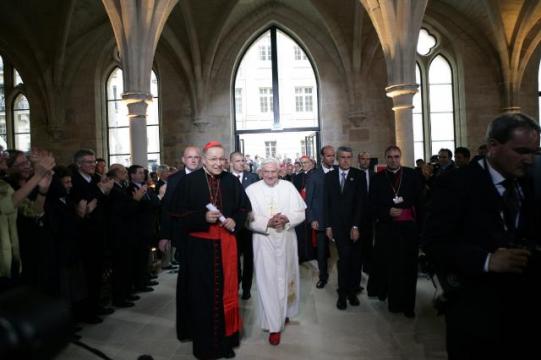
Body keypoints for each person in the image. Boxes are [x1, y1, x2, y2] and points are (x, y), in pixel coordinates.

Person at [423, 112, 541, 359]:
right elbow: (434, 242)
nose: (529, 160)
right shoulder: (456, 183)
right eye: (521, 151)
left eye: (534, 152)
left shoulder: (529, 182)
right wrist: (487, 260)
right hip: (475, 313)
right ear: (493, 147)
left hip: (523, 311)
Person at [171, 141, 251, 359]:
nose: (218, 163)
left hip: (226, 247)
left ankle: (225, 344)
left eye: (221, 159)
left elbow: (244, 207)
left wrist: (236, 219)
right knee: (202, 297)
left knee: (227, 292)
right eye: (213, 159)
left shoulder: (231, 181)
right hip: (200, 250)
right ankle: (204, 347)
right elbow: (176, 215)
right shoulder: (189, 182)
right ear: (204, 160)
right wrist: (202, 218)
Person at [245, 159, 306, 346]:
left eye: (273, 172)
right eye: (266, 172)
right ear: (261, 172)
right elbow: (247, 219)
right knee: (268, 280)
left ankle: (284, 312)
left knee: (287, 277)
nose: (270, 175)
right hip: (264, 241)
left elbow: (301, 213)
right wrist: (267, 223)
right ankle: (273, 327)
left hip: (287, 239)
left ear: (279, 171)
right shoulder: (251, 190)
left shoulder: (288, 187)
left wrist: (287, 218)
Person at [367, 145, 422, 318]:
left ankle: (408, 306)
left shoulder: (412, 175)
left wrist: (421, 231)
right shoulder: (377, 178)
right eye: (390, 157)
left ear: (401, 157)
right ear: (385, 158)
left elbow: (421, 203)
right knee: (391, 267)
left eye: (396, 156)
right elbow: (371, 205)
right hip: (387, 229)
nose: (393, 159)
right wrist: (386, 212)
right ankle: (394, 302)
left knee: (409, 268)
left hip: (408, 230)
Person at [324, 146, 366, 310]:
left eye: (349, 157)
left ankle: (353, 292)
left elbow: (361, 203)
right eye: (342, 157)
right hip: (337, 226)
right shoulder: (330, 177)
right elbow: (326, 203)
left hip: (354, 226)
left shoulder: (359, 175)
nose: (346, 160)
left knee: (355, 260)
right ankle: (342, 294)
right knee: (344, 259)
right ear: (337, 159)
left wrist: (355, 226)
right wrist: (328, 225)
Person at [304, 145, 335, 289]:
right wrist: (312, 219)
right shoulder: (314, 175)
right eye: (328, 155)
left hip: (338, 220)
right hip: (321, 219)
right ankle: (323, 277)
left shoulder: (338, 172)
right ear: (322, 157)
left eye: (333, 155)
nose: (331, 158)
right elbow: (308, 200)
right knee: (322, 252)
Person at [229, 151, 258, 300]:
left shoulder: (252, 178)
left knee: (248, 258)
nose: (241, 163)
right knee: (233, 258)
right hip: (232, 226)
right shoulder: (225, 178)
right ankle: (236, 283)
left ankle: (247, 288)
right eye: (238, 161)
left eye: (243, 160)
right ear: (231, 163)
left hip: (248, 225)